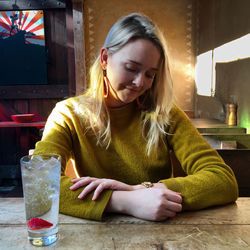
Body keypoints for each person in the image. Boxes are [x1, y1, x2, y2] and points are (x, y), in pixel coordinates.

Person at [34, 13, 238, 221]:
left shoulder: (165, 113)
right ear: (105, 59)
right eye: (131, 68)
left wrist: (142, 190)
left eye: (150, 74)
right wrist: (124, 201)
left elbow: (222, 180)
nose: (140, 83)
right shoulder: (67, 115)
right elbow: (40, 184)